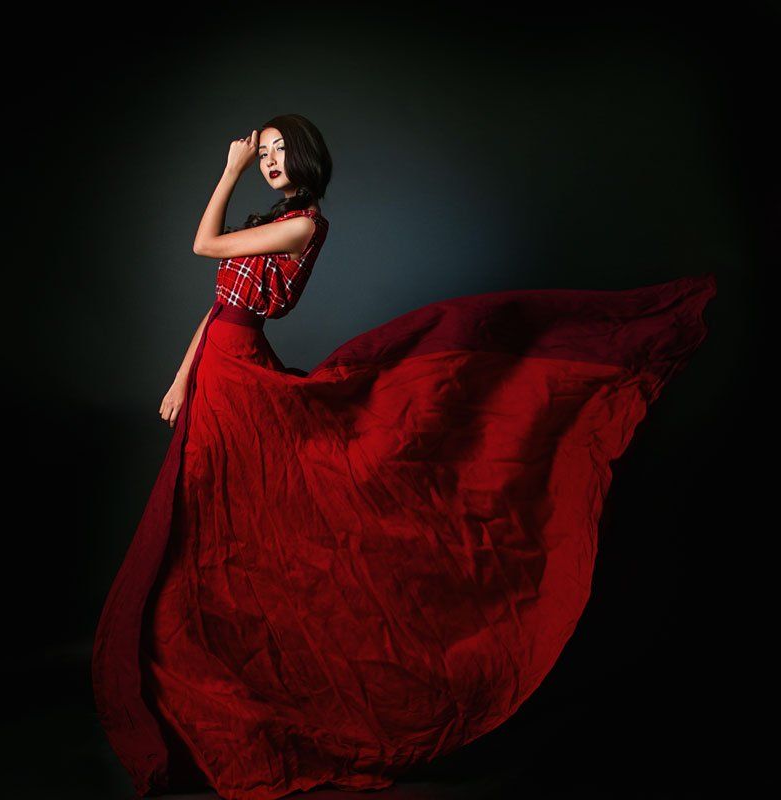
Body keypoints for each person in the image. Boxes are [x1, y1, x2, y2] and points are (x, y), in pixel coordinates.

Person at [92, 113, 717, 800]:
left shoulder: (304, 226)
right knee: (201, 528)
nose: (268, 160)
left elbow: (203, 244)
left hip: (242, 380)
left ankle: (257, 691)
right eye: (261, 152)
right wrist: (181, 377)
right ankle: (189, 687)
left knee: (244, 528)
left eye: (279, 150)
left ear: (306, 157)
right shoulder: (268, 220)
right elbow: (219, 308)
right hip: (218, 370)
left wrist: (229, 167)